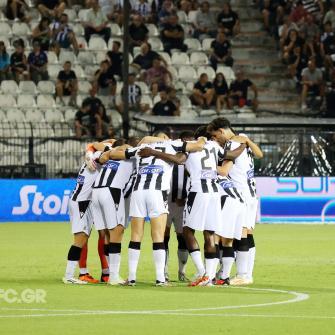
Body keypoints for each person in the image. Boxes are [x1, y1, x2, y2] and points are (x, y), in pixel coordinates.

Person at [107, 135, 207, 286]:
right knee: (158, 237)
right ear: (164, 137)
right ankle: (160, 279)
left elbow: (113, 155)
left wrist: (132, 147)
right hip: (157, 192)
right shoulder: (173, 144)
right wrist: (203, 138)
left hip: (138, 192)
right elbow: (199, 146)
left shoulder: (141, 148)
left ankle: (132, 278)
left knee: (135, 236)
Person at [207, 117, 263, 286]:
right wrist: (247, 141)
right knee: (248, 233)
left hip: (241, 194)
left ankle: (243, 274)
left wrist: (204, 166)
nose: (215, 139)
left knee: (240, 234)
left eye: (216, 136)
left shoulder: (231, 145)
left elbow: (224, 171)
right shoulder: (243, 138)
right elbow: (260, 154)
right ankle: (246, 273)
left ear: (222, 131)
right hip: (252, 193)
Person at [63, 140, 115, 284]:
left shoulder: (92, 157)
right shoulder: (99, 157)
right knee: (79, 240)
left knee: (83, 238)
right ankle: (69, 276)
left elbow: (93, 145)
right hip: (81, 203)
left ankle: (80, 274)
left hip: (81, 201)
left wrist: (89, 151)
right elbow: (98, 147)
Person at [92, 140, 136, 285]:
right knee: (117, 231)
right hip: (112, 190)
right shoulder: (131, 155)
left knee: (106, 235)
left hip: (96, 191)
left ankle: (110, 273)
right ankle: (114, 276)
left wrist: (108, 151)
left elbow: (95, 146)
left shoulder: (108, 154)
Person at [164, 130, 194, 281]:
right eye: (187, 141)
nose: (190, 144)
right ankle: (164, 272)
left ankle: (182, 272)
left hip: (183, 204)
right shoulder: (170, 156)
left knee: (183, 238)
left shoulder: (193, 159)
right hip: (167, 202)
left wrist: (186, 197)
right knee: (163, 237)